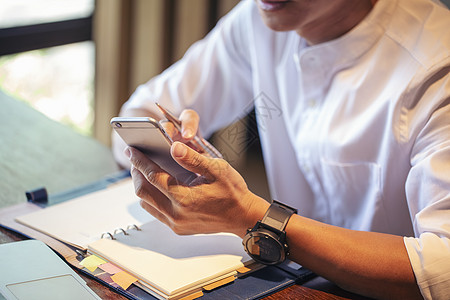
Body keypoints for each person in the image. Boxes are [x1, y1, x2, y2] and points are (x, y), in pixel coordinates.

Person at [112, 0, 450, 299]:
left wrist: (253, 217)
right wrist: (171, 149)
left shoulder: (436, 70)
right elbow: (141, 111)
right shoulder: (259, 18)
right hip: (285, 280)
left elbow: (440, 270)